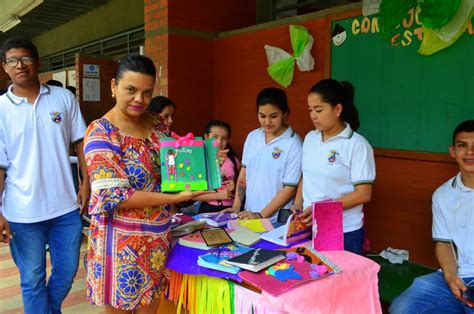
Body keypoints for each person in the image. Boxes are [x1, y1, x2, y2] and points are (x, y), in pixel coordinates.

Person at [84, 54, 205, 313]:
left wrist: (201, 163)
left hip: (157, 240)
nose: (139, 99)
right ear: (114, 87)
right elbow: (116, 195)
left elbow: (172, 170)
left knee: (152, 309)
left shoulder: (158, 124)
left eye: (147, 92)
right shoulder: (102, 132)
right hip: (119, 246)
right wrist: (173, 199)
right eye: (131, 90)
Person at [0, 37, 90, 313]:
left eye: (26, 58)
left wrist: (87, 181)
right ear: (5, 68)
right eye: (12, 61)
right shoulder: (1, 109)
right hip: (21, 212)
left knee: (67, 272)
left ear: (37, 62)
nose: (20, 65)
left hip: (65, 207)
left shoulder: (63, 98)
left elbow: (81, 142)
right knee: (32, 278)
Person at [390, 120, 474, 313]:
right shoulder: (443, 195)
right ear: (453, 151)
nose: (470, 152)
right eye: (463, 145)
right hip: (458, 275)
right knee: (403, 308)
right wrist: (451, 276)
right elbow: (443, 243)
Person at [295, 79, 375, 255]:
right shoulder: (310, 138)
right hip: (309, 223)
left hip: (341, 228)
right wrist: (297, 204)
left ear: (337, 109)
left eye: (318, 110)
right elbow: (306, 174)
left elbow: (364, 194)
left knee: (341, 279)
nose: (313, 116)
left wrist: (321, 210)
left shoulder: (356, 145)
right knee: (313, 276)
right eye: (310, 110)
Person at [223, 87, 302, 222]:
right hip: (248, 215)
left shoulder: (294, 144)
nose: (267, 122)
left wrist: (261, 215)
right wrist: (237, 206)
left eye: (273, 116)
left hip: (275, 220)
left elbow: (290, 188)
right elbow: (244, 174)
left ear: (285, 113)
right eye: (262, 116)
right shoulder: (253, 137)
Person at [195, 120, 240, 213]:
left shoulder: (234, 160)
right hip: (208, 209)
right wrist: (218, 195)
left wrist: (235, 185)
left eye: (224, 138)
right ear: (206, 136)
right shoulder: (199, 160)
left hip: (232, 209)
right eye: (215, 137)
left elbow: (243, 185)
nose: (219, 142)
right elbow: (193, 195)